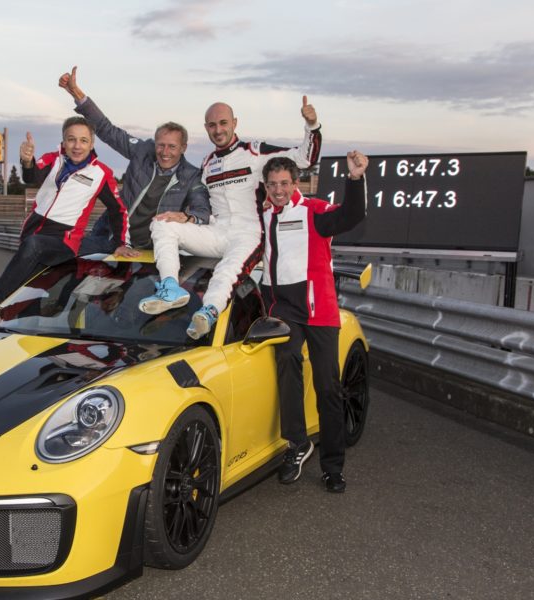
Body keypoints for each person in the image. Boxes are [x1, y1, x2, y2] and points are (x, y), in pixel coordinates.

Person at [141, 99, 323, 339]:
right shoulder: (207, 163)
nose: (218, 130)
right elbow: (200, 205)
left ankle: (209, 311)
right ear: (206, 128)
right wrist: (185, 217)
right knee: (162, 223)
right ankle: (171, 288)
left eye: (223, 123)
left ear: (235, 123)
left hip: (248, 233)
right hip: (216, 231)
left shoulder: (255, 151)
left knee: (226, 272)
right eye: (212, 125)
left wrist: (312, 125)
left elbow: (304, 158)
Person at [260, 152, 368, 493]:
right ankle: (297, 444)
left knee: (328, 387)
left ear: (296, 184)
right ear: (266, 186)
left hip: (319, 308)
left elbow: (352, 215)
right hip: (283, 309)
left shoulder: (315, 211)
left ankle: (333, 467)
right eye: (272, 184)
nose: (278, 190)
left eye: (284, 184)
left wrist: (354, 180)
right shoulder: (261, 215)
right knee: (287, 360)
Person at [0, 117, 128, 326]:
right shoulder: (52, 159)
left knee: (34, 246)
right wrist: (27, 161)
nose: (77, 146)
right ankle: (6, 318)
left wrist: (121, 242)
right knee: (30, 290)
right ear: (64, 141)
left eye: (83, 140)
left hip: (64, 240)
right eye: (71, 139)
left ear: (91, 144)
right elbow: (32, 177)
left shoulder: (101, 173)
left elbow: (118, 209)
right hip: (34, 230)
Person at [58, 66, 211, 257]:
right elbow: (107, 130)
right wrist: (76, 93)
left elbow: (202, 210)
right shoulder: (143, 151)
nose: (165, 152)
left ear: (183, 148)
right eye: (160, 145)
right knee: (68, 267)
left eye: (172, 146)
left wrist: (188, 217)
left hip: (146, 249)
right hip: (109, 236)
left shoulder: (192, 176)